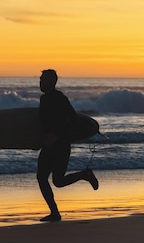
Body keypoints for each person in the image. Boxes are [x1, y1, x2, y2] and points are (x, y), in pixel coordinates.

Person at [37, 69, 99, 222]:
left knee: (58, 181)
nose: (40, 82)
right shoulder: (43, 99)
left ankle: (85, 174)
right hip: (48, 145)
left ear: (52, 81)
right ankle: (54, 213)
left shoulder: (59, 98)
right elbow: (43, 124)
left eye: (43, 79)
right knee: (41, 178)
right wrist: (35, 141)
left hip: (61, 145)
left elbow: (73, 120)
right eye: (40, 79)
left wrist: (56, 136)